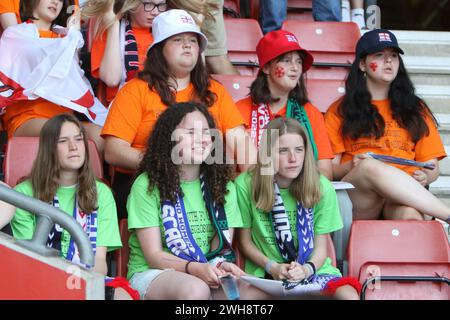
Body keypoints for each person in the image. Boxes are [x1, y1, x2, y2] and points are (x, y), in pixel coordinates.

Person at [101, 9, 256, 219]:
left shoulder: (215, 91)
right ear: (159, 49)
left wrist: (255, 184)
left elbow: (241, 143)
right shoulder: (134, 90)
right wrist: (168, 164)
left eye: (193, 40)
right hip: (146, 185)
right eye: (178, 39)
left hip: (205, 184)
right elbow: (113, 151)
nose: (187, 45)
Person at [126, 102, 268, 300]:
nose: (201, 140)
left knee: (256, 292)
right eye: (191, 132)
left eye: (206, 133)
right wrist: (194, 268)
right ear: (170, 139)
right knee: (196, 290)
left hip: (204, 269)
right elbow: (154, 256)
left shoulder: (224, 186)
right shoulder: (147, 185)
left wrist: (220, 265)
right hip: (153, 273)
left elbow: (218, 248)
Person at [324, 29, 450, 223]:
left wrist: (425, 177)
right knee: (369, 167)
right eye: (379, 55)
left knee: (410, 217)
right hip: (360, 197)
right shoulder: (339, 110)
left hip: (402, 194)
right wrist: (352, 164)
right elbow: (328, 170)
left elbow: (432, 166)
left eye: (393, 56)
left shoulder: (416, 108)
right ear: (363, 64)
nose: (389, 61)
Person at [9, 113, 137, 300]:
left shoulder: (101, 193)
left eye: (78, 139)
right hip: (41, 280)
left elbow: (99, 261)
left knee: (122, 296)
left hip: (87, 279)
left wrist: (81, 287)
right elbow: (30, 259)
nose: (74, 147)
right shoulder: (24, 193)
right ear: (48, 149)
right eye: (63, 141)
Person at [235, 117, 360, 300]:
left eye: (299, 150)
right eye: (283, 151)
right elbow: (244, 243)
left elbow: (320, 248)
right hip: (266, 272)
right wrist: (273, 267)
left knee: (349, 296)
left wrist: (305, 270)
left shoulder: (321, 186)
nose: (293, 159)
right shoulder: (246, 184)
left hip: (312, 269)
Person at [0, 0, 106, 155]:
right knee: (65, 130)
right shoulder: (15, 33)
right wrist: (70, 38)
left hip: (65, 118)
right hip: (27, 117)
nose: (56, 1)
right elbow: (43, 58)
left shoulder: (66, 38)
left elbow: (74, 82)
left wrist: (71, 36)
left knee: (101, 135)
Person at [236, 30, 334, 180]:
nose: (295, 67)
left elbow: (325, 172)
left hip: (300, 195)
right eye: (287, 60)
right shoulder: (239, 111)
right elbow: (227, 171)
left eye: (299, 61)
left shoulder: (310, 112)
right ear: (267, 68)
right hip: (255, 195)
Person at [83, 0, 168, 104]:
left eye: (161, 5)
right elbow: (111, 79)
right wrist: (114, 24)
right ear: (132, 4)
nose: (155, 12)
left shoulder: (169, 33)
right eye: (148, 4)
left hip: (161, 102)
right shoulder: (107, 33)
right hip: (124, 104)